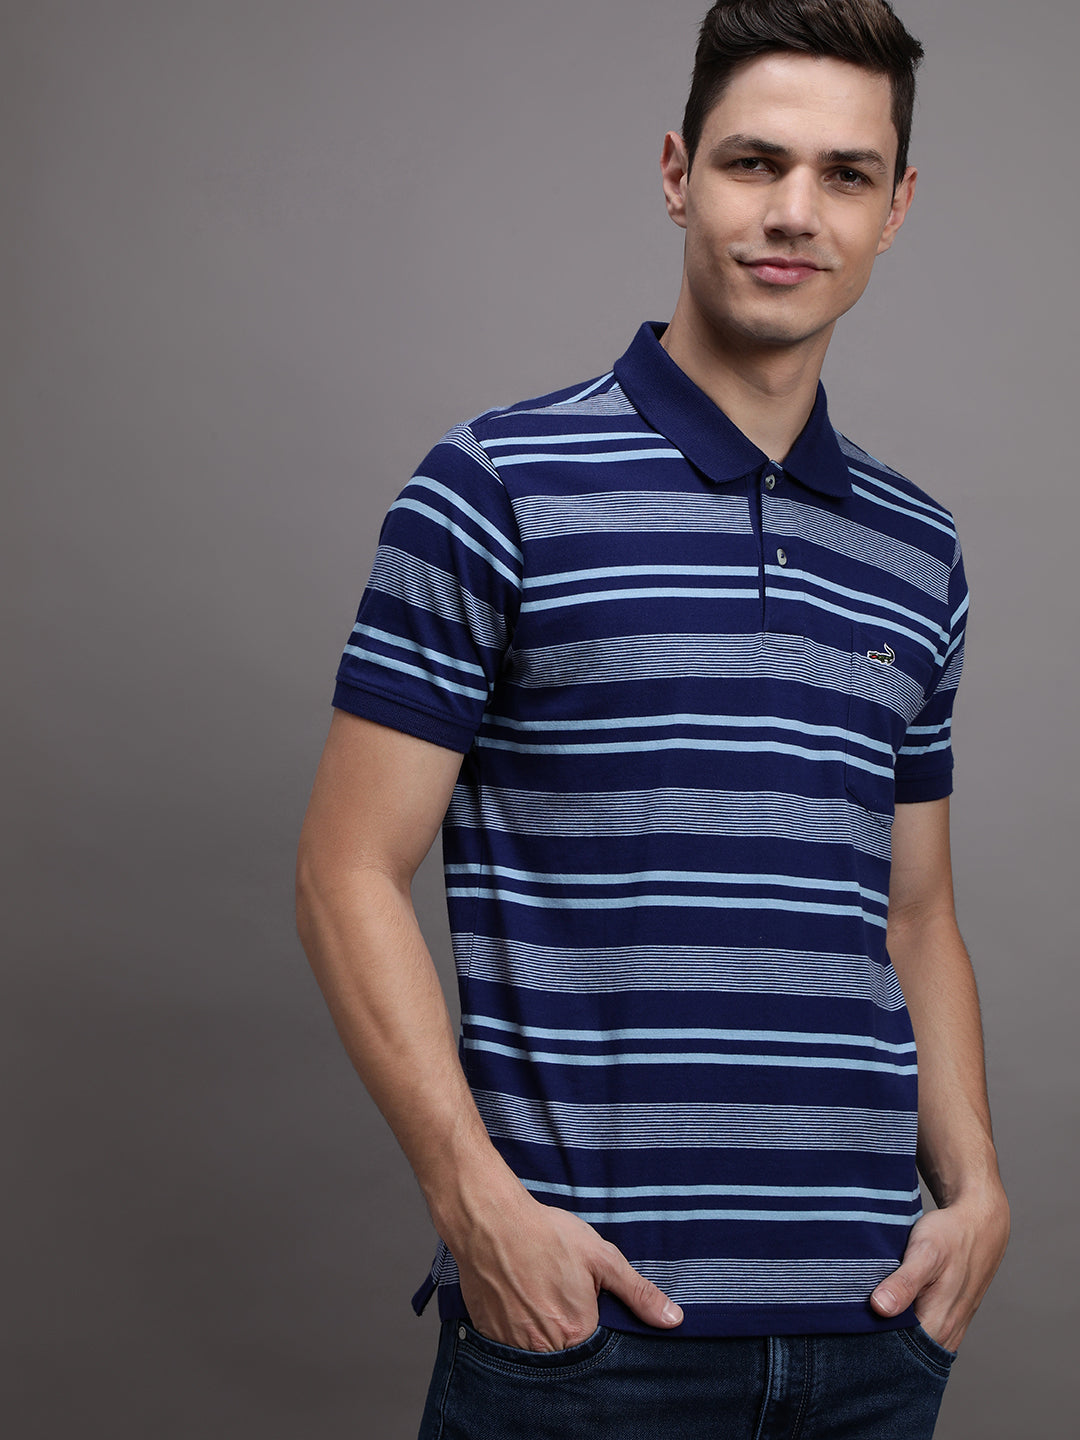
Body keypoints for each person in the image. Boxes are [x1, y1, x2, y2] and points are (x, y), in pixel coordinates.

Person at [296, 3, 1010, 1435]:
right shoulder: (492, 487)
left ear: (894, 210)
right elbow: (344, 869)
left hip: (870, 1338)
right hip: (586, 1338)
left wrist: (978, 1188)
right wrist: (474, 1203)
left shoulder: (918, 549)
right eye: (755, 162)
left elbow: (916, 915)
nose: (795, 212)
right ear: (680, 174)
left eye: (846, 174)